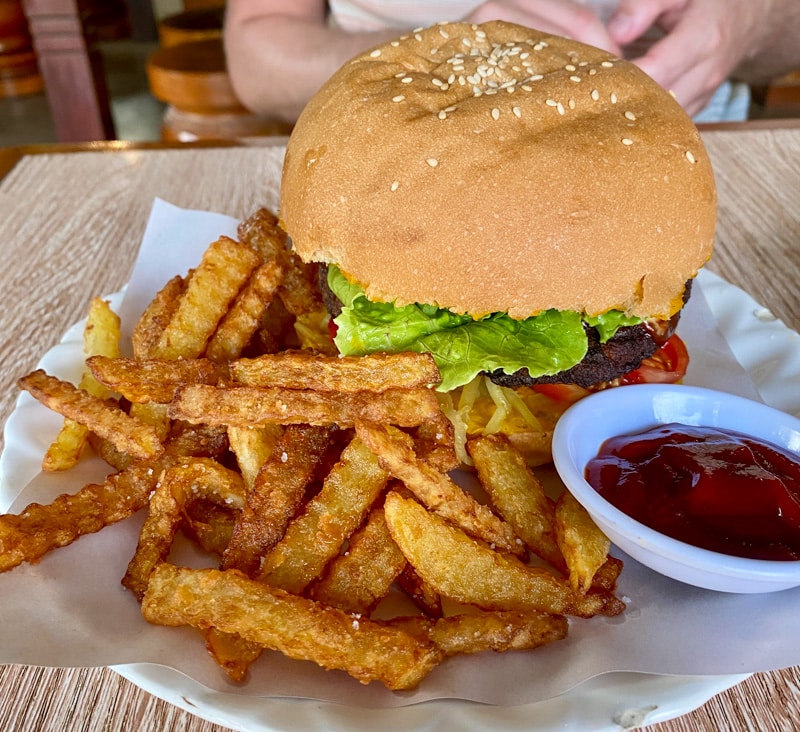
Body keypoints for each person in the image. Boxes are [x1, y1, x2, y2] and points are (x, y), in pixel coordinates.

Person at [224, 0, 800, 123]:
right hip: (397, 156)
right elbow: (256, 49)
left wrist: (750, 18)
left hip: (703, 149)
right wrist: (439, 50)